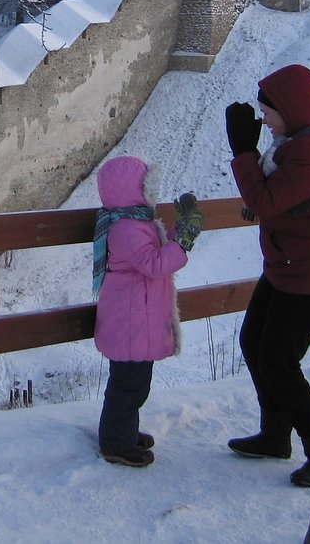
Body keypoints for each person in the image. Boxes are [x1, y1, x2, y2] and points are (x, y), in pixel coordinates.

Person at [224, 63, 310, 488]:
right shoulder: (290, 146)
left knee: (278, 362)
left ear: (292, 109)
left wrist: (242, 151)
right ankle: (275, 435)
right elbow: (270, 200)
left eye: (268, 112)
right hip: (287, 268)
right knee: (254, 343)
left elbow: (267, 200)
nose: (263, 120)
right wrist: (256, 185)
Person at [92, 155, 202, 468]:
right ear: (134, 191)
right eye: (147, 187)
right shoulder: (128, 229)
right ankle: (115, 442)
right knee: (127, 385)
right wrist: (183, 239)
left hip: (135, 318)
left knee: (135, 383)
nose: (152, 193)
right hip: (131, 321)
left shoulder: (133, 222)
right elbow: (155, 264)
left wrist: (179, 233)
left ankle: (123, 432)